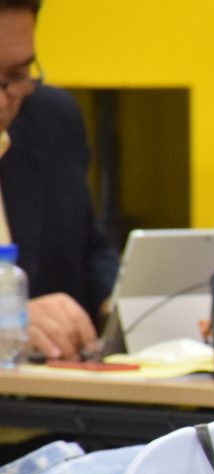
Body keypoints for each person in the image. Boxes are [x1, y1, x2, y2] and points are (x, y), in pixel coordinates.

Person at [0, 0, 118, 361]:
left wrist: (128, 306)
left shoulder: (50, 120)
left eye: (17, 76)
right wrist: (10, 322)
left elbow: (89, 253)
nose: (3, 102)